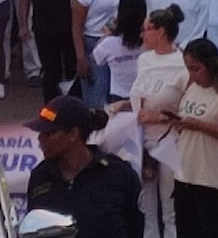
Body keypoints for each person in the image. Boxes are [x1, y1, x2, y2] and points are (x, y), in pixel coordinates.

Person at [25, 96, 143, 238]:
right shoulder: (40, 176)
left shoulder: (118, 175)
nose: (40, 139)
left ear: (73, 134)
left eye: (49, 133)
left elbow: (135, 227)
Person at [171, 38, 218, 238]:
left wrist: (197, 125)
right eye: (188, 69)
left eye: (196, 69)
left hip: (212, 178)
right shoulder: (191, 89)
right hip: (186, 173)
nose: (192, 75)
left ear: (210, 65)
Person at [128, 4, 189, 238]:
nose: (142, 34)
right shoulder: (144, 60)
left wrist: (160, 116)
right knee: (146, 207)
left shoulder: (183, 63)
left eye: (147, 29)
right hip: (142, 139)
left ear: (161, 32)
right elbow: (140, 94)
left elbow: (189, 107)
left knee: (170, 207)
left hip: (171, 141)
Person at [72, 0, 141, 109]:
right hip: (94, 44)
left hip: (126, 44)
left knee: (123, 97)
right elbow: (77, 25)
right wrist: (80, 57)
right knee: (97, 99)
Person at [91, 0, 146, 102]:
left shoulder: (109, 43)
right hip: (144, 96)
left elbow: (96, 58)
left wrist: (107, 35)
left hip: (119, 98)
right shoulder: (149, 41)